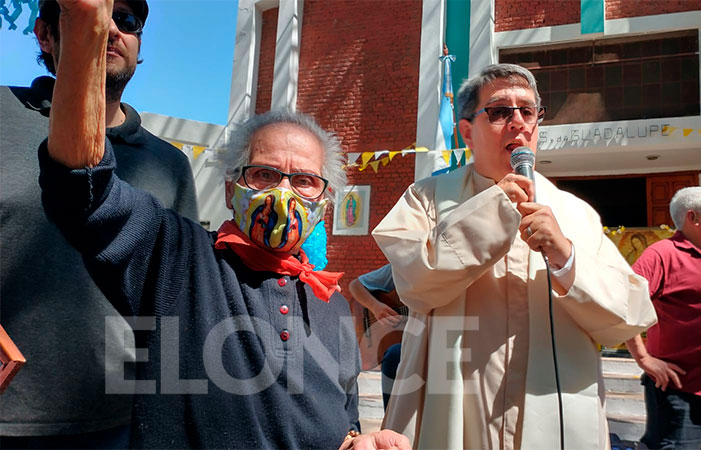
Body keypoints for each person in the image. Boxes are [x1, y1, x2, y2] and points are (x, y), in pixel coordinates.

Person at [36, 2, 409, 449]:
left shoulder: (328, 302)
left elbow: (340, 417)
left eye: (304, 181)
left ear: (324, 201)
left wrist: (356, 441)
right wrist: (83, 28)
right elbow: (82, 186)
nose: (283, 193)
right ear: (232, 188)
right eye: (265, 174)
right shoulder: (175, 254)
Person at [372, 63, 657, 449]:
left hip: (556, 416)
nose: (518, 122)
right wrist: (495, 211)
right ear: (467, 132)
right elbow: (416, 284)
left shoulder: (576, 214)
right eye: (500, 111)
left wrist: (566, 258)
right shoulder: (426, 199)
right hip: (455, 413)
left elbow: (629, 316)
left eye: (528, 111)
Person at [0, 0, 197, 447]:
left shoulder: (170, 164)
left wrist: (170, 411)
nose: (110, 29)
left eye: (126, 20)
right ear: (45, 34)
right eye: (92, 15)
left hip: (119, 423)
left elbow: (176, 295)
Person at [624, 187, 701, 450]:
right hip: (682, 394)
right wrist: (643, 359)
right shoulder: (662, 254)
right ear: (693, 217)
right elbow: (624, 302)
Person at [349, 264, 403, 409]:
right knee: (394, 355)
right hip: (400, 349)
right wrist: (375, 307)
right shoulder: (403, 265)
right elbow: (355, 286)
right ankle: (390, 417)